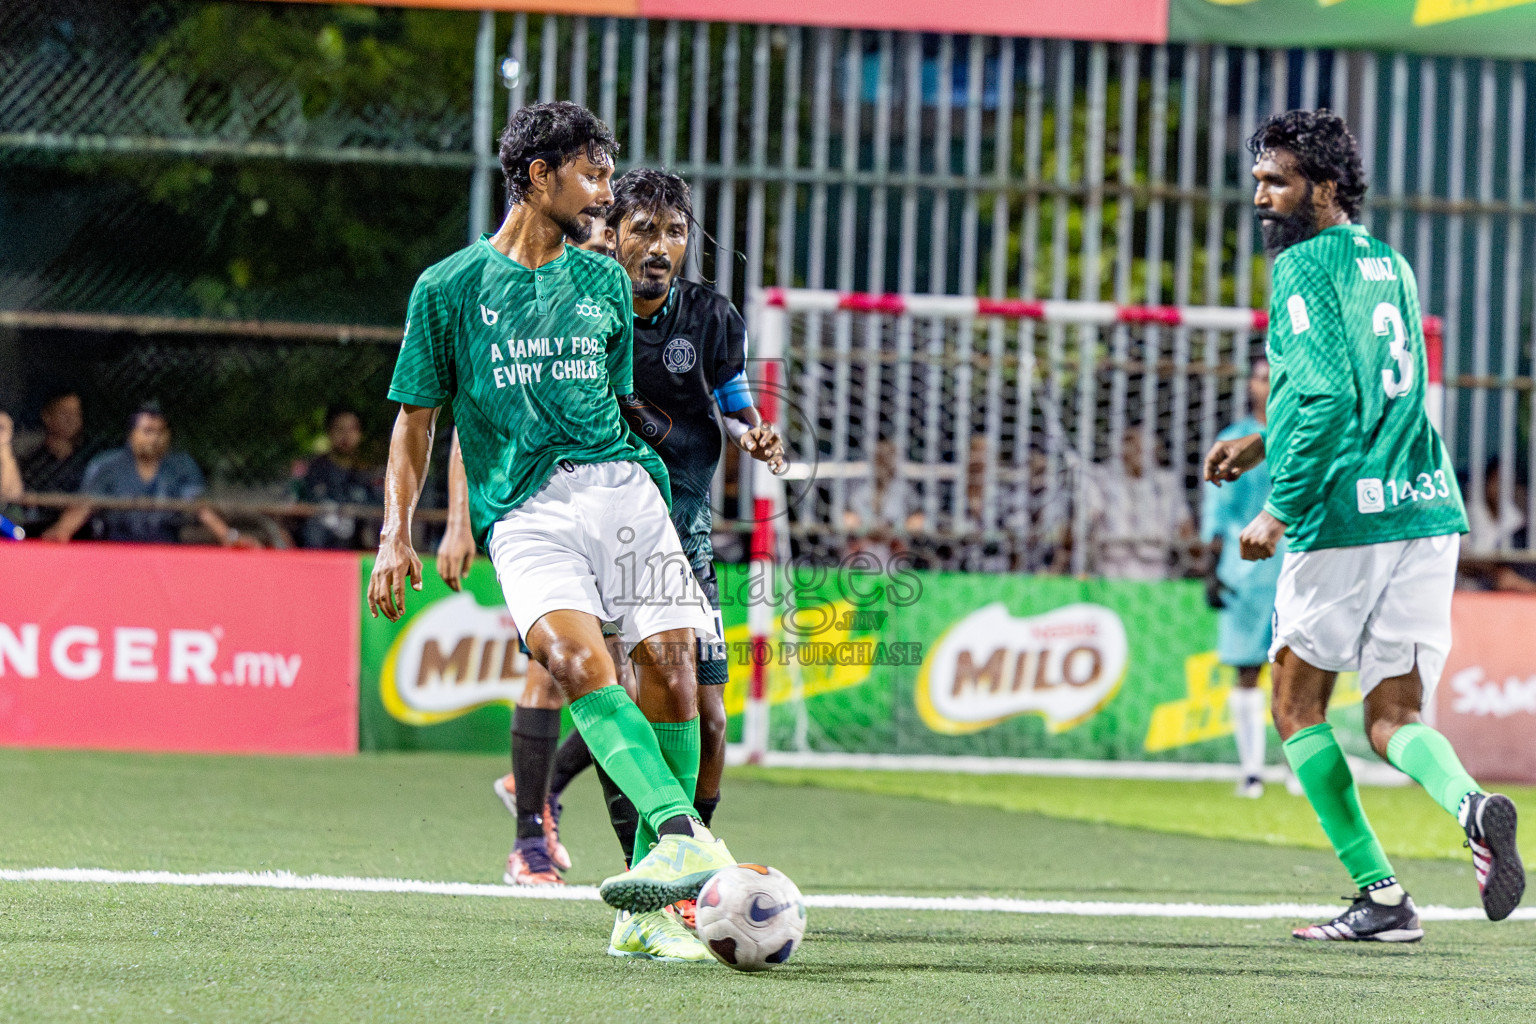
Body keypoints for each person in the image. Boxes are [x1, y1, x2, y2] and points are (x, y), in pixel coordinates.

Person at [369, 101, 736, 964]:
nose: (606, 192)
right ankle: (688, 840)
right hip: (527, 515)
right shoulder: (448, 288)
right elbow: (417, 420)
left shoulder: (604, 280)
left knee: (675, 675)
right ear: (539, 178)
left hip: (625, 494)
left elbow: (610, 402)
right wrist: (400, 529)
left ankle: (649, 904)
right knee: (577, 665)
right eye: (594, 175)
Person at [1205, 109, 1523, 942]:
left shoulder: (1301, 268)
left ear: (1326, 187)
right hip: (1424, 503)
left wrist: (1279, 506)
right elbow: (1373, 390)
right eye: (1257, 181)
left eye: (1276, 181)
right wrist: (1262, 439)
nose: (1260, 197)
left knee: (1296, 706)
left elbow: (1332, 399)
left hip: (1346, 514)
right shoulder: (1391, 263)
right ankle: (1472, 804)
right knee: (1394, 719)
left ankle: (1380, 895)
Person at [1201, 359, 1282, 798]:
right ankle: (1251, 769)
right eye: (1259, 377)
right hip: (1245, 567)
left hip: (1295, 564)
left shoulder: (1301, 434)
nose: (1265, 384)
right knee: (1247, 670)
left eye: (1272, 377)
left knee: (1296, 671)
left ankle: (1297, 769)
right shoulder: (1234, 439)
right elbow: (1217, 505)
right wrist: (1212, 560)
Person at [47, 403, 239, 546]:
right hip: (116, 551)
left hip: (166, 550)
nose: (154, 438)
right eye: (147, 431)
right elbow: (84, 505)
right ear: (132, 435)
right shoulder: (106, 465)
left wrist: (228, 536)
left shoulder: (181, 466)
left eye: (160, 432)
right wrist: (62, 531)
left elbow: (200, 506)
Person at [1081, 426, 1195, 580]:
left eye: (1143, 445)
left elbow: (1186, 528)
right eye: (1131, 442)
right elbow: (1087, 521)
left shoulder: (1166, 482)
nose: (1137, 449)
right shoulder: (1101, 478)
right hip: (1110, 573)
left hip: (1157, 574)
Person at [1, 392, 92, 537]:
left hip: (83, 533)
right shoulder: (30, 462)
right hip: (35, 532)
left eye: (76, 413)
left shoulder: (90, 459)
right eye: (64, 413)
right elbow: (20, 499)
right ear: (47, 416)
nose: (71, 418)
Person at [295, 406, 382, 549]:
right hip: (318, 546)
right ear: (329, 432)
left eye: (352, 429)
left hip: (358, 548)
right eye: (340, 429)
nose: (346, 435)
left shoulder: (369, 474)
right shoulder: (313, 471)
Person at [1457, 459, 1536, 593]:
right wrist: (1493, 569)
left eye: (1506, 481)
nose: (1500, 487)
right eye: (1496, 480)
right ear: (1487, 482)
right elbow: (1463, 559)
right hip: (1474, 577)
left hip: (1506, 576)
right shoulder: (1469, 513)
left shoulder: (1514, 515)